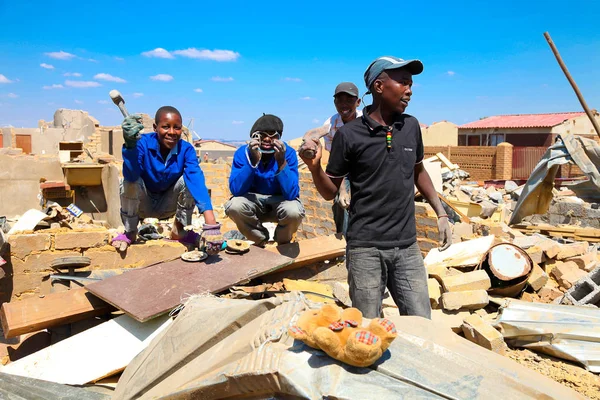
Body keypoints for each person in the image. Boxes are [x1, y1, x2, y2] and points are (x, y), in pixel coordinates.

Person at [300, 56, 452, 319]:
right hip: (365, 250)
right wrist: (315, 168)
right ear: (379, 87)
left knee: (422, 325)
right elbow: (329, 192)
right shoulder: (349, 135)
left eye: (411, 83)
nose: (409, 90)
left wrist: (440, 212)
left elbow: (419, 171)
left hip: (407, 248)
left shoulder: (411, 126)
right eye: (403, 82)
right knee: (367, 327)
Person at [111, 106, 223, 254]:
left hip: (168, 205)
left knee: (188, 181)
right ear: (155, 127)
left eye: (176, 128)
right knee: (129, 183)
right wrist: (131, 147)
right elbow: (131, 176)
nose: (171, 132)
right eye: (165, 127)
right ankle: (130, 231)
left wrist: (211, 224)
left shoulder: (186, 149)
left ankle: (179, 230)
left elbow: (195, 178)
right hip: (142, 205)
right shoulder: (142, 143)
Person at [226, 114, 304, 246]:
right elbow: (236, 190)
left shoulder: (288, 153)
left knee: (294, 210)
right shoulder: (243, 153)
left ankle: (282, 241)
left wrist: (281, 162)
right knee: (234, 205)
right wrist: (253, 162)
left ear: (279, 137)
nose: (267, 139)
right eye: (262, 135)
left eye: (273, 135)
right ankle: (260, 239)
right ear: (254, 137)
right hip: (253, 201)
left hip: (279, 201)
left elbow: (291, 194)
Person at [322, 82, 362, 235]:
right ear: (334, 103)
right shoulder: (331, 125)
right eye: (340, 100)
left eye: (349, 100)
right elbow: (336, 162)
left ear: (357, 102)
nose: (344, 105)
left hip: (363, 167)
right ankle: (344, 242)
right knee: (341, 201)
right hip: (343, 169)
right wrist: (343, 190)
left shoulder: (366, 120)